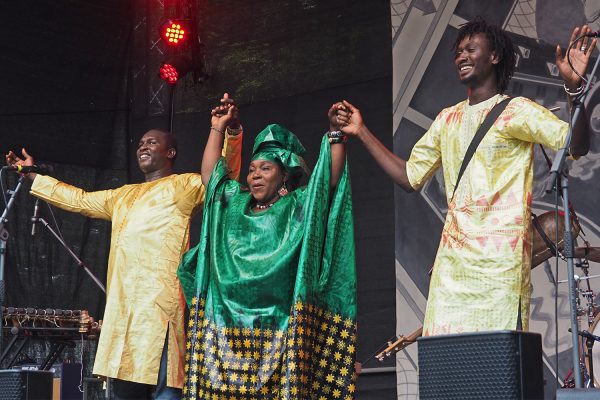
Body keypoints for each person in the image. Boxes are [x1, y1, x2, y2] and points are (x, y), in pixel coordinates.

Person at [332, 19, 594, 336]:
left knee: (497, 366)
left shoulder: (517, 110)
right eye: (458, 52)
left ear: (495, 55)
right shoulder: (447, 119)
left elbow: (575, 146)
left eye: (470, 48)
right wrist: (360, 131)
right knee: (451, 368)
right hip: (453, 270)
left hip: (500, 268)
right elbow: (409, 177)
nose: (461, 56)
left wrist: (575, 89)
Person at [5, 106, 243, 399]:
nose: (143, 146)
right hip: (123, 314)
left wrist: (227, 132)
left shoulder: (186, 185)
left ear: (170, 153)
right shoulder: (122, 196)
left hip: (160, 309)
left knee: (166, 390)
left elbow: (222, 177)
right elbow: (79, 199)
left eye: (152, 142)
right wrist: (33, 177)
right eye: (141, 143)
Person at [176, 100, 357, 398]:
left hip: (278, 331)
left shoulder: (297, 205)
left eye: (265, 168)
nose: (255, 175)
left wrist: (336, 134)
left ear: (284, 175)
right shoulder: (234, 203)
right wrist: (217, 128)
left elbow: (328, 182)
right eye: (251, 169)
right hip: (226, 331)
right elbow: (212, 179)